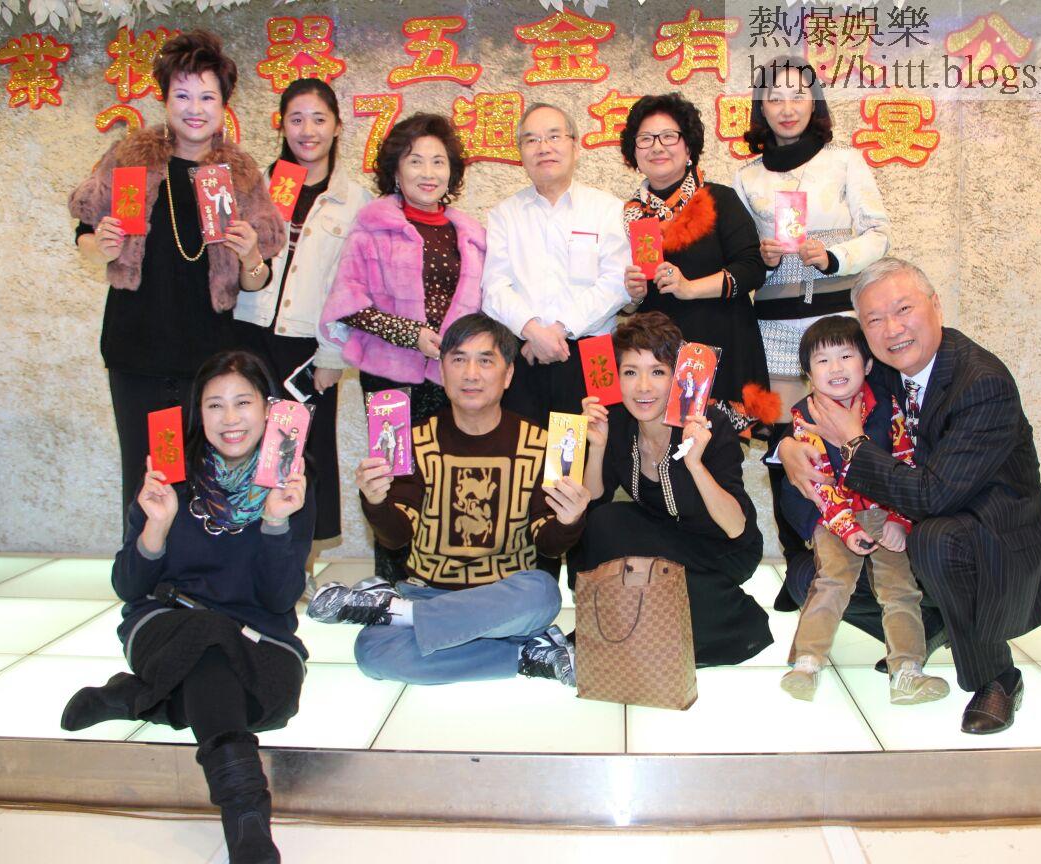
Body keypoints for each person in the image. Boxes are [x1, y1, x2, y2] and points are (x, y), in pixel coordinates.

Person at [781, 258, 1041, 734]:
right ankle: (931, 626)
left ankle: (997, 675)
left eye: (903, 310)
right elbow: (818, 409)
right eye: (875, 319)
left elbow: (933, 495)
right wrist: (789, 448)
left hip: (988, 538)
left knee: (935, 539)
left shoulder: (982, 383)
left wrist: (853, 442)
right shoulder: (882, 370)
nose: (892, 329)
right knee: (807, 576)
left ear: (936, 306)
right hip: (910, 525)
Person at [60, 350, 313, 863]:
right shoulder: (171, 471)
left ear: (269, 408)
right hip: (169, 622)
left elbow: (278, 600)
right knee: (209, 642)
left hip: (257, 633)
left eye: (243, 402)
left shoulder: (291, 482)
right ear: (198, 412)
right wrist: (155, 526)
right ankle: (246, 819)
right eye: (215, 405)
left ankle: (136, 698)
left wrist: (275, 522)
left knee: (264, 696)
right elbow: (129, 586)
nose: (230, 418)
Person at [69, 30, 285, 526]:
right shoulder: (131, 159)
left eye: (207, 97)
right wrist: (100, 246)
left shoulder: (240, 173)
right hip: (137, 350)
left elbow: (256, 280)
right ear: (165, 99)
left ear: (224, 105)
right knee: (145, 476)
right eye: (182, 95)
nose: (195, 109)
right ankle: (145, 570)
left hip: (208, 358)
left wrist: (251, 255)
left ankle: (200, 571)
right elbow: (85, 236)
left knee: (204, 481)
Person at [306, 314, 592, 686]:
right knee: (371, 651)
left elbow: (548, 544)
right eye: (458, 360)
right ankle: (525, 654)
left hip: (505, 598)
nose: (471, 374)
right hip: (427, 593)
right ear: (441, 372)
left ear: (508, 375)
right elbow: (397, 537)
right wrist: (375, 502)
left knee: (543, 595)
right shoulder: (413, 440)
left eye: (485, 361)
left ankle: (401, 616)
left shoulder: (541, 443)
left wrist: (569, 521)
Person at [733, 57, 893, 591]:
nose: (786, 107)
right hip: (773, 327)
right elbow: (741, 257)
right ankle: (797, 564)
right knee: (783, 445)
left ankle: (858, 556)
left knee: (846, 435)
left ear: (814, 102)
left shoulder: (844, 162)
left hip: (835, 323)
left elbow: (879, 234)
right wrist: (762, 257)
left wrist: (833, 256)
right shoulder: (747, 176)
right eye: (774, 97)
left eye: (797, 95)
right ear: (761, 107)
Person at [319, 113, 486, 581]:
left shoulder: (470, 233)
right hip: (389, 379)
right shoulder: (373, 225)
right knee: (391, 481)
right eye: (416, 161)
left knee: (449, 478)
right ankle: (392, 586)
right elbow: (348, 304)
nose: (428, 172)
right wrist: (409, 334)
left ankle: (445, 581)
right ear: (396, 169)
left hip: (451, 380)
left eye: (438, 161)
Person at [573, 312, 772, 667]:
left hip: (721, 549)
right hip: (665, 539)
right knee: (604, 521)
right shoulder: (618, 422)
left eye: (657, 372)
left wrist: (695, 464)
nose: (643, 387)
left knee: (664, 585)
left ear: (679, 376)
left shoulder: (710, 424)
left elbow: (735, 527)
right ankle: (630, 617)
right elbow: (592, 503)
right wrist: (597, 446)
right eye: (630, 372)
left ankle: (722, 614)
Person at [777, 316, 949, 705]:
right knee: (831, 582)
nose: (835, 368)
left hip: (887, 512)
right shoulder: (806, 418)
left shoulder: (889, 407)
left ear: (868, 364)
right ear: (808, 374)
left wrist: (900, 521)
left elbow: (905, 464)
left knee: (899, 589)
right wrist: (846, 528)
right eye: (822, 361)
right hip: (835, 515)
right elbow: (818, 483)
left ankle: (907, 671)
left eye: (846, 356)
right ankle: (806, 663)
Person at [233, 77, 373, 548]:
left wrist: (333, 355)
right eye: (296, 119)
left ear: (337, 127)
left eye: (318, 119)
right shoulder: (255, 187)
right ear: (281, 125)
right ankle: (243, 555)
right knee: (246, 446)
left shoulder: (355, 201)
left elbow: (352, 287)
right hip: (249, 335)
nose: (307, 131)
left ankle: (299, 564)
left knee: (300, 455)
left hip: (309, 347)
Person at [481, 103, 632, 425]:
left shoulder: (607, 209)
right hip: (524, 352)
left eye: (554, 136)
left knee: (597, 445)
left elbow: (616, 284)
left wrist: (558, 330)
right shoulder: (504, 215)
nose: (544, 147)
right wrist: (533, 331)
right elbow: (494, 288)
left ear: (575, 147)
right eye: (531, 140)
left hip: (595, 351)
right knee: (526, 446)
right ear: (521, 153)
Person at [620, 94, 768, 406]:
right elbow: (628, 304)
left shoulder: (720, 199)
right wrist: (632, 298)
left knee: (720, 437)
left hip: (723, 349)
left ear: (688, 147)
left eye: (668, 136)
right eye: (645, 139)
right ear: (634, 152)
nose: (657, 147)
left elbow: (753, 268)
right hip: (657, 360)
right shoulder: (627, 216)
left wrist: (689, 288)